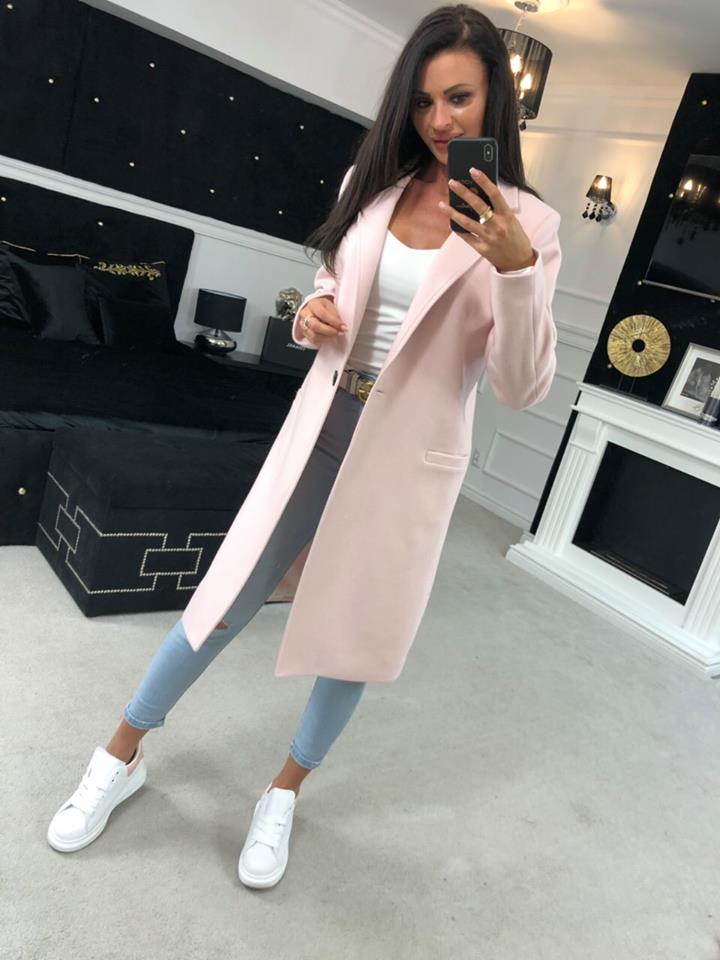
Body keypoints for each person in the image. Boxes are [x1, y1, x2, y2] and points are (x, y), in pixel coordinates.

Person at [47, 3, 562, 890]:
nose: (441, 120)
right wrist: (316, 311)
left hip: (410, 462)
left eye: (461, 98)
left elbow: (521, 385)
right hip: (322, 427)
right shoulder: (375, 180)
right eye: (425, 101)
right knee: (228, 594)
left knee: (355, 635)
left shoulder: (533, 227)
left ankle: (284, 791)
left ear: (495, 103)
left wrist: (516, 270)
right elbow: (331, 278)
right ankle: (121, 752)